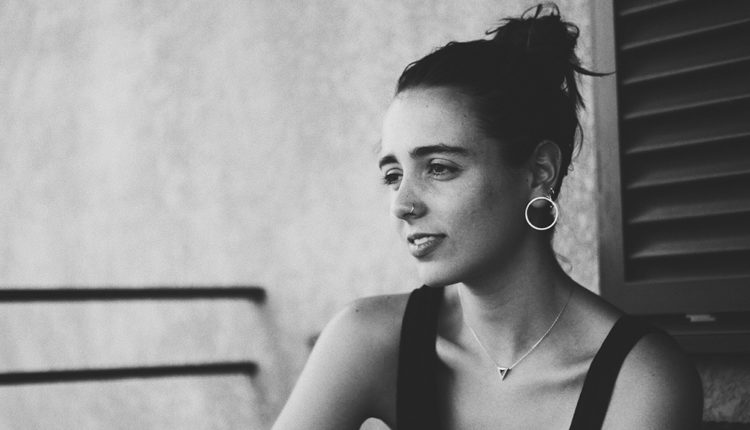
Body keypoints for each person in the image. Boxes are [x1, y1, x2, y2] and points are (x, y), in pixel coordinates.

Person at [272, 4, 703, 429]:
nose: (402, 205)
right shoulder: (368, 338)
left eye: (439, 168)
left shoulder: (639, 380)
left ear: (539, 171)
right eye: (393, 175)